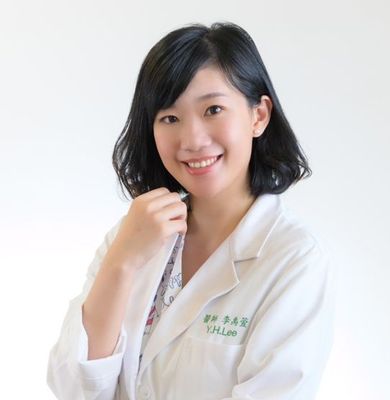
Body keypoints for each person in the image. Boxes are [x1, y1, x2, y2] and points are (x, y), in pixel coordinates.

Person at [47, 21, 335, 400]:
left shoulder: (292, 259)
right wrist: (121, 263)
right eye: (170, 118)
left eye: (213, 109)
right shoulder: (131, 236)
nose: (192, 140)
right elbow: (73, 389)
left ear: (258, 116)